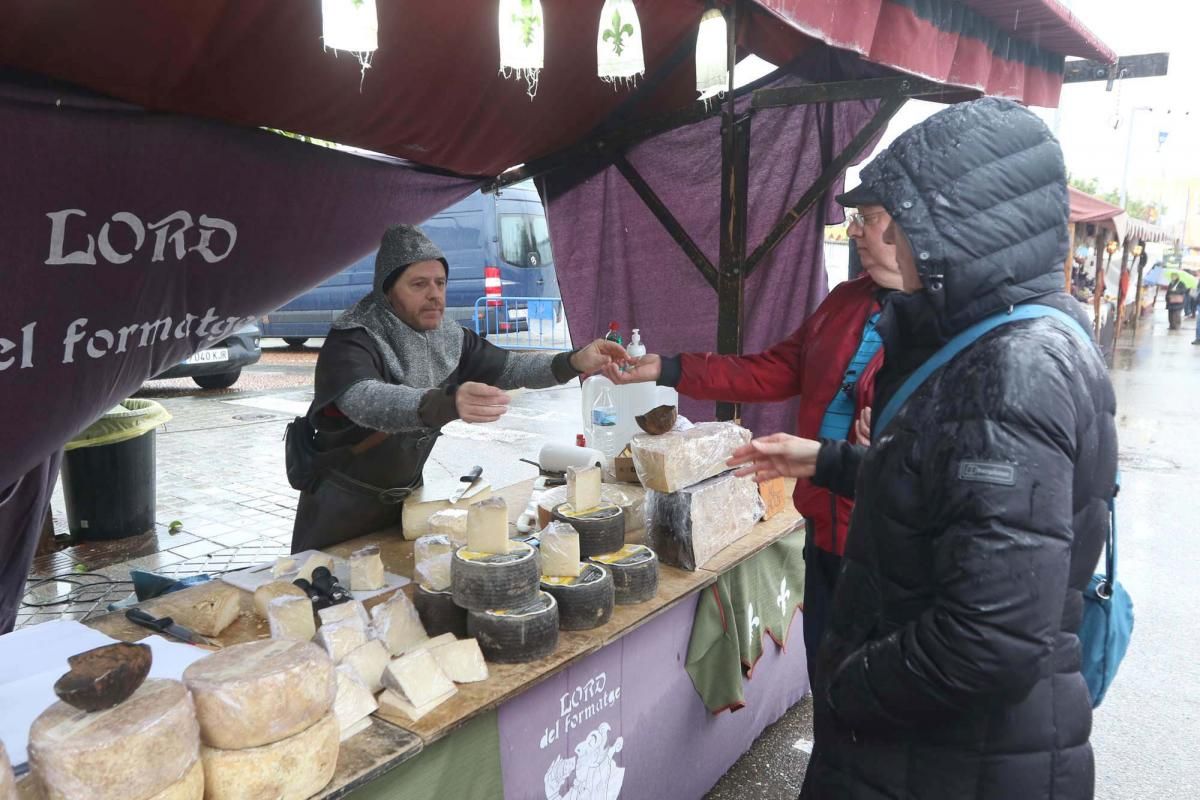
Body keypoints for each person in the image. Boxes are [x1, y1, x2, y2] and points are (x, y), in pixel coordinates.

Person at [729, 98, 1117, 799]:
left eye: (887, 216)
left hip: (952, 759)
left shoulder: (1013, 368)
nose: (870, 232)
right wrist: (826, 460)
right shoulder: (1001, 339)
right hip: (951, 751)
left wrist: (848, 683)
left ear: (955, 221)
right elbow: (956, 497)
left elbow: (988, 640)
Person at [603, 196, 902, 684]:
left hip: (888, 551)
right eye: (853, 219)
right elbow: (775, 369)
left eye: (866, 219)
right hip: (825, 539)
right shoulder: (847, 299)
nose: (852, 232)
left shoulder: (945, 323)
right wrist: (668, 368)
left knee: (880, 703)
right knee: (829, 683)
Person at [291, 224, 627, 552]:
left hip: (407, 502)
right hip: (338, 507)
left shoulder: (450, 337)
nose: (434, 294)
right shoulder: (352, 338)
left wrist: (573, 361)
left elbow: (510, 367)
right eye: (419, 284)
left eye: (440, 283)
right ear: (387, 290)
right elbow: (364, 399)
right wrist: (446, 402)